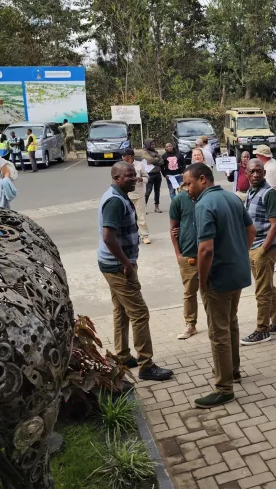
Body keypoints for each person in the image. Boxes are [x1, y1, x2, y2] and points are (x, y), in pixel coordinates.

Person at [187, 162, 255, 408]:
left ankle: (224, 388)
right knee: (231, 322)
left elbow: (205, 250)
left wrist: (203, 282)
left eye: (189, 183)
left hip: (218, 277)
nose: (187, 188)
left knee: (218, 332)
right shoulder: (233, 198)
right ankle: (233, 371)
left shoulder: (204, 204)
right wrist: (240, 254)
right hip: (237, 273)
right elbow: (251, 230)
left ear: (203, 179)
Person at [98, 161, 173, 381]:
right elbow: (108, 237)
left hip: (114, 264)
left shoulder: (119, 196)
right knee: (140, 313)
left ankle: (122, 355)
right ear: (116, 178)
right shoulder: (114, 201)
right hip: (118, 266)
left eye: (135, 176)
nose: (134, 179)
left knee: (121, 310)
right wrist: (126, 263)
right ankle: (146, 365)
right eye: (129, 176)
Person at [241, 158, 276, 346]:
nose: (255, 174)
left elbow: (275, 226)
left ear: (264, 172)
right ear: (246, 174)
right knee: (267, 286)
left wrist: (262, 249)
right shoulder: (251, 192)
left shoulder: (269, 194)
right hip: (254, 246)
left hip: (265, 247)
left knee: (262, 290)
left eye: (259, 171)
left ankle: (262, 329)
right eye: (252, 171)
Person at [169, 177, 200, 340]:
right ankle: (190, 324)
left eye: (191, 184)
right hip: (188, 255)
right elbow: (173, 228)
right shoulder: (178, 200)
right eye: (186, 184)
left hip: (209, 253)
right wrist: (178, 254)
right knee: (189, 292)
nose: (188, 188)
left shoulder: (206, 197)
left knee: (212, 291)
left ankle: (217, 322)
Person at [122, 149, 151, 245]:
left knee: (141, 216)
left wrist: (140, 179)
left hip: (139, 194)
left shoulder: (139, 165)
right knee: (128, 217)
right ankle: (131, 237)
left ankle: (144, 236)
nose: (123, 158)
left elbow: (146, 178)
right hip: (126, 195)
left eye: (124, 156)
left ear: (130, 156)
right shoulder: (122, 166)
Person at [140, 139, 164, 213]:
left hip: (157, 174)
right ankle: (143, 207)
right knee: (148, 191)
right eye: (151, 144)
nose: (153, 146)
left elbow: (162, 162)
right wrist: (157, 158)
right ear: (147, 145)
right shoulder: (144, 152)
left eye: (154, 144)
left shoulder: (155, 152)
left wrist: (155, 159)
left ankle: (156, 207)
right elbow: (150, 160)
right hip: (149, 174)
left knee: (157, 191)